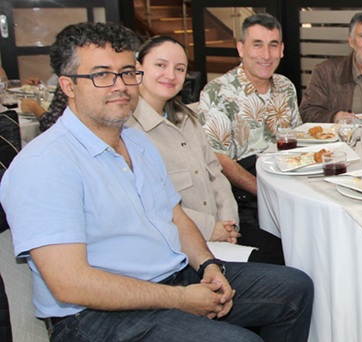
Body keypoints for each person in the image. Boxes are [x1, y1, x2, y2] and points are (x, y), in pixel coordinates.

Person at [0, 22, 312, 341]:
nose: (120, 86)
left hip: (172, 276)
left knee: (295, 288)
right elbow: (70, 284)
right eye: (102, 75)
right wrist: (180, 299)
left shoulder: (136, 142)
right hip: (94, 314)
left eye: (127, 73)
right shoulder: (44, 164)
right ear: (68, 85)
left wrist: (208, 265)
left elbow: (176, 216)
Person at [128, 35, 284, 264]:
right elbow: (147, 203)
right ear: (137, 68)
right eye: (160, 65)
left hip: (222, 229)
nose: (170, 75)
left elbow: (215, 175)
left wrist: (229, 225)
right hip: (177, 242)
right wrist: (210, 228)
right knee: (281, 270)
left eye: (179, 69)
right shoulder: (127, 130)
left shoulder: (187, 119)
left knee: (287, 250)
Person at [198, 13, 293, 264]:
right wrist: (264, 189)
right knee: (285, 254)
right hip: (243, 197)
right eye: (257, 45)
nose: (266, 55)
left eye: (273, 45)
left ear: (282, 50)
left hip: (283, 185)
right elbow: (218, 158)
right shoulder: (218, 92)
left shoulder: (286, 87)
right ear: (241, 48)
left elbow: (296, 140)